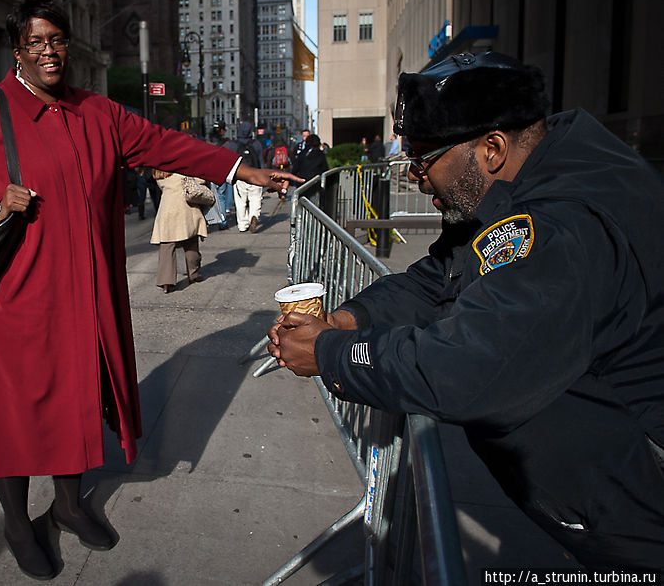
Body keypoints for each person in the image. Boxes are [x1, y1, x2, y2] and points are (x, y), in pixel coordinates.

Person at [0, 0, 300, 581]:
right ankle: (17, 522)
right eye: (37, 42)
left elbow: (171, 145)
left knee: (76, 399)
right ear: (18, 50)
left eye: (58, 40)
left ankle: (68, 505)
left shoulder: (98, 112)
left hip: (80, 295)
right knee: (12, 413)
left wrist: (242, 170)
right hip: (9, 299)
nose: (49, 51)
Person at [267, 52, 664, 568]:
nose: (414, 177)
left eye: (424, 159)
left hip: (637, 513)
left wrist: (331, 353)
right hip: (601, 495)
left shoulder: (563, 227)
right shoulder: (521, 182)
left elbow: (466, 369)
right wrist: (348, 319)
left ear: (491, 149)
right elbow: (441, 278)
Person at [150, 170, 208, 293]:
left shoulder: (159, 173)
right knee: (191, 243)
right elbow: (199, 181)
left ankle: (166, 282)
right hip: (185, 208)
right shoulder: (182, 171)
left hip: (166, 210)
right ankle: (194, 274)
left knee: (167, 247)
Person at [224, 120, 265, 233]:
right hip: (255, 175)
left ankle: (242, 224)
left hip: (240, 176)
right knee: (255, 198)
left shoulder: (233, 145)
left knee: (240, 201)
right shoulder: (256, 144)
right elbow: (261, 161)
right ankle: (254, 215)